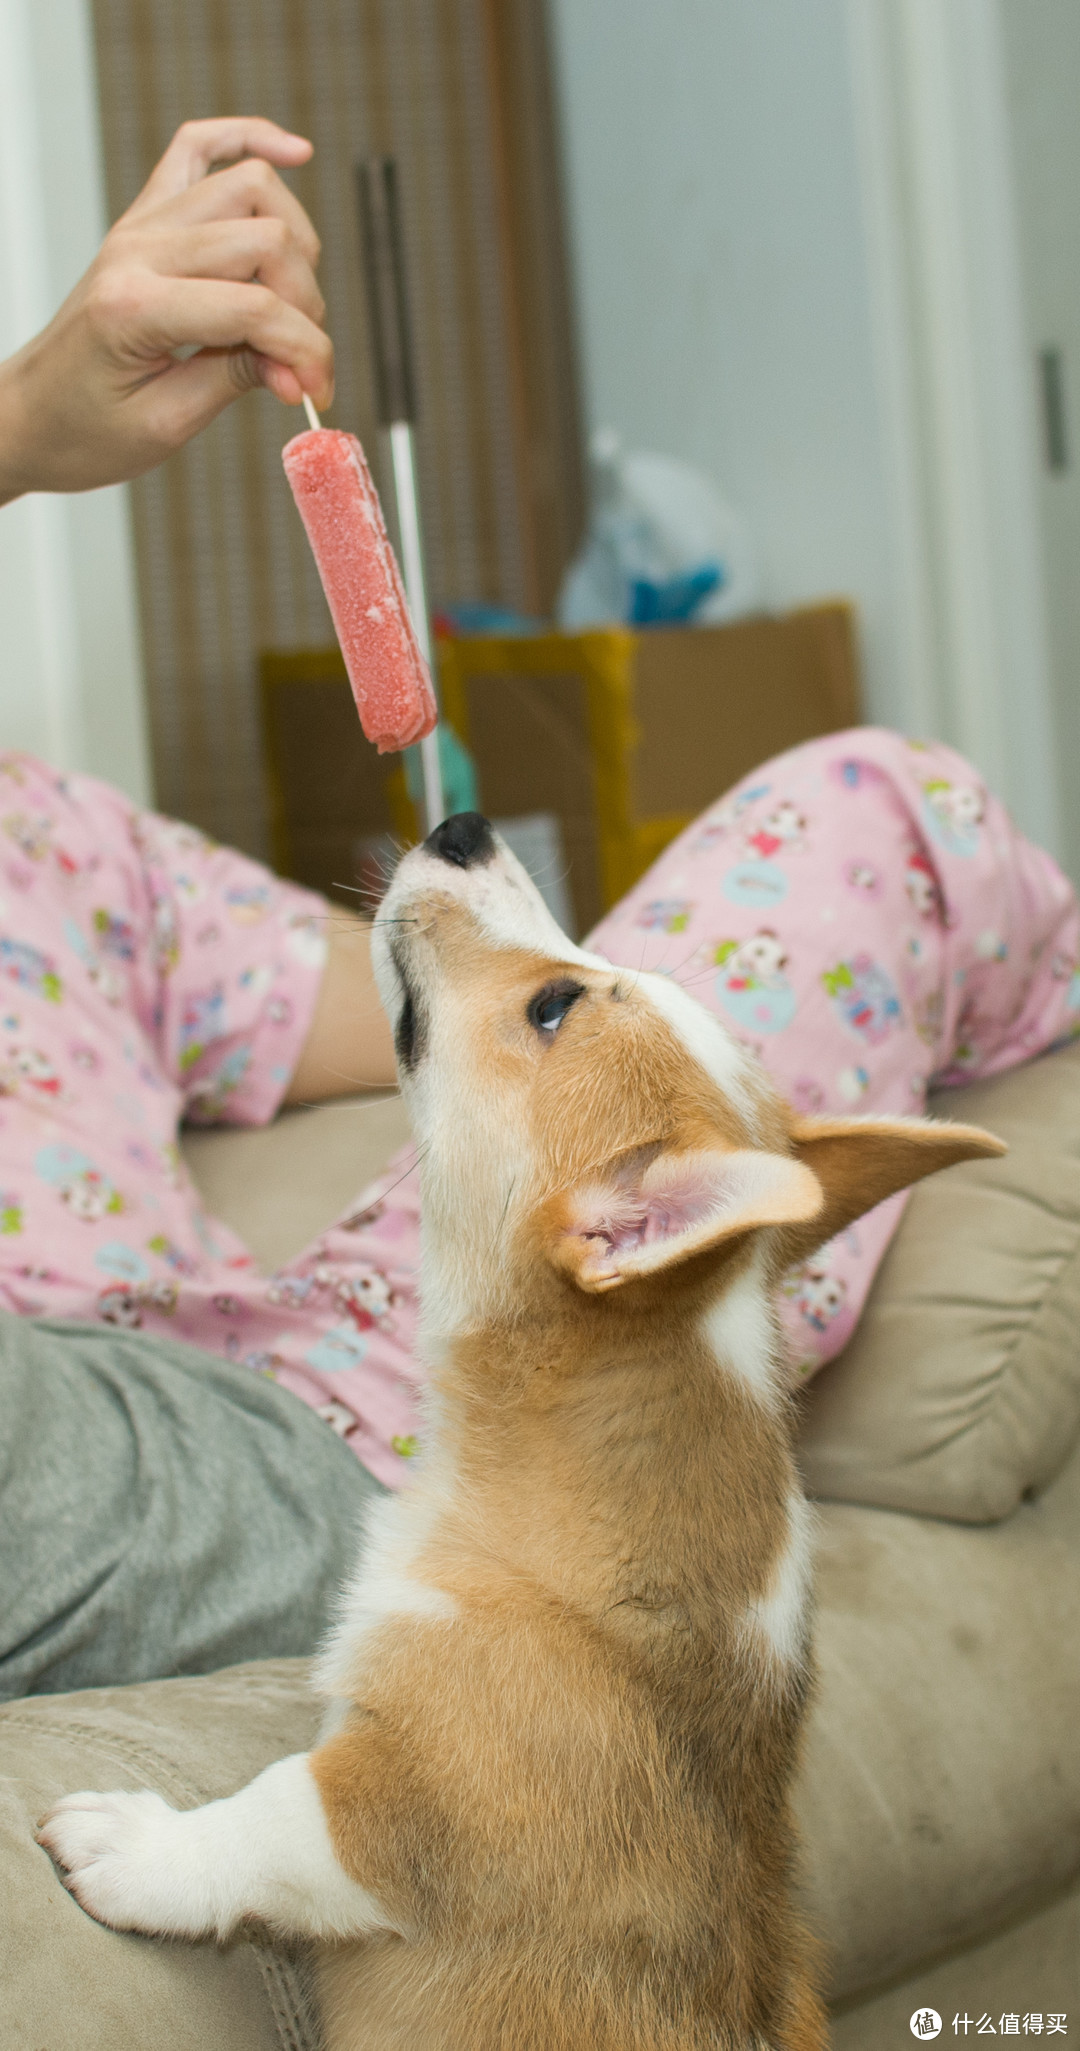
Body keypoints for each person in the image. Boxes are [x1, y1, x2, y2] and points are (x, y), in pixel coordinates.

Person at [3, 117, 1080, 1705]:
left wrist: (572, 1024)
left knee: (884, 808)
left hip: (277, 1392)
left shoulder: (50, 842)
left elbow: (468, 1009)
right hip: (141, 1470)